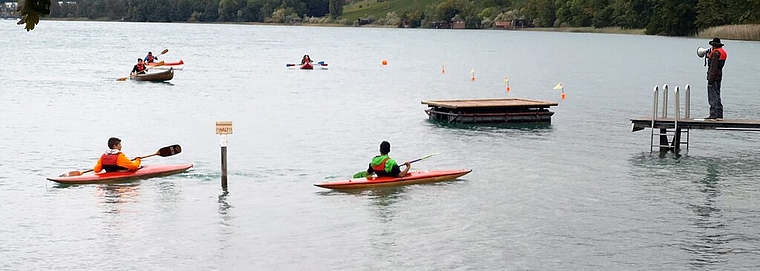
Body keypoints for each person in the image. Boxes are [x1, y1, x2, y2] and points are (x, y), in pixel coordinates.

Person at [706, 37, 727, 120]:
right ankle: (719, 114)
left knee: (712, 96)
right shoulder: (722, 52)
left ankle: (713, 114)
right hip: (719, 76)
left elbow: (713, 68)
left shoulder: (715, 54)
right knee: (717, 95)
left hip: (714, 77)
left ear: (714, 46)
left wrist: (710, 80)